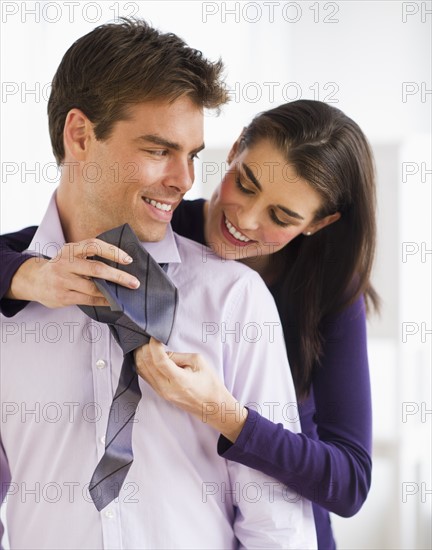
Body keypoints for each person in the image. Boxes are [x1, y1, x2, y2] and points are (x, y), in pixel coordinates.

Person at [1, 99, 377, 548]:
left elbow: (351, 481)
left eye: (281, 217)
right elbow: (42, 241)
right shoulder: (158, 224)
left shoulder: (329, 288)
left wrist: (223, 413)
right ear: (235, 148)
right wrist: (29, 276)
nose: (245, 218)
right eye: (245, 182)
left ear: (319, 223)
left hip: (289, 522)